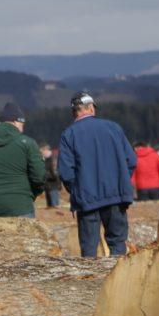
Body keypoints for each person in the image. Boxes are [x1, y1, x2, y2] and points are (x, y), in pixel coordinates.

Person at [58, 91, 137, 257]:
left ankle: (91, 275)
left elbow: (65, 172)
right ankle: (118, 273)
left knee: (89, 250)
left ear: (74, 112)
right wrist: (120, 181)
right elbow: (131, 161)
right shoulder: (114, 128)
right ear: (92, 108)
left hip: (86, 199)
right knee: (117, 245)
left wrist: (77, 190)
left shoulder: (69, 134)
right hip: (116, 196)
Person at [40, 143, 62, 207]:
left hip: (53, 186)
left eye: (42, 151)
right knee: (50, 206)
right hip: (48, 186)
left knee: (54, 206)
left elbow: (55, 174)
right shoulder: (46, 160)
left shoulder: (53, 160)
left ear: (47, 150)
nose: (41, 153)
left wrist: (45, 175)